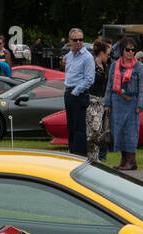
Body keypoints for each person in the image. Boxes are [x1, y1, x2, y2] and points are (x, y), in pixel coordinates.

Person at [104, 37, 143, 170]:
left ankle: (131, 161)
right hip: (117, 103)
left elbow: (142, 88)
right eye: (128, 49)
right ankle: (123, 160)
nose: (131, 52)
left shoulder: (139, 67)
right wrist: (107, 104)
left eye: (133, 50)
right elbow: (110, 86)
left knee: (131, 132)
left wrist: (140, 105)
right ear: (122, 50)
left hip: (132, 103)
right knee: (118, 131)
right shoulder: (114, 66)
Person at [63, 27, 96, 157]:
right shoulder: (69, 55)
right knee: (70, 127)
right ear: (70, 41)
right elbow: (69, 73)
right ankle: (72, 154)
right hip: (68, 92)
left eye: (81, 40)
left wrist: (75, 92)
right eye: (75, 40)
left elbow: (89, 79)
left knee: (79, 128)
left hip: (79, 94)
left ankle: (79, 156)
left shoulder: (87, 57)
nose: (78, 42)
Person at [84, 40, 111, 163]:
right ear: (101, 53)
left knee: (98, 130)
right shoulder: (92, 66)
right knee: (93, 131)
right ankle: (89, 156)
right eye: (107, 54)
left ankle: (95, 158)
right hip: (91, 101)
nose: (108, 57)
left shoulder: (105, 66)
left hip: (101, 102)